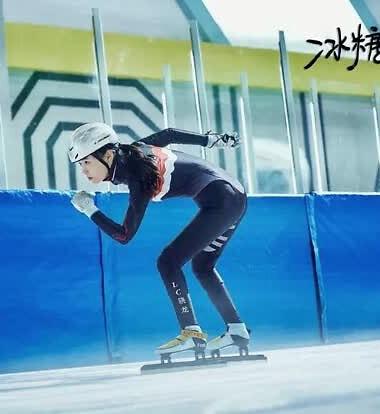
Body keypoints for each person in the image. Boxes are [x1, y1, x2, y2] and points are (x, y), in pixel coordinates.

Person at [68, 122, 250, 359]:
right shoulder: (136, 151)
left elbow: (124, 235)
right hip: (233, 196)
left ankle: (191, 332)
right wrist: (211, 140)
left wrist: (89, 209)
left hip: (223, 201)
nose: (83, 171)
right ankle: (236, 330)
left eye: (86, 162)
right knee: (202, 267)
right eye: (80, 165)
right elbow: (169, 134)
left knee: (168, 262)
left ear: (109, 155)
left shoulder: (138, 178)